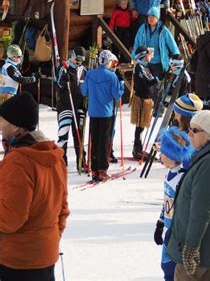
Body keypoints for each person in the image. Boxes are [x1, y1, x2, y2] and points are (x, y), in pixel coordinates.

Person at [0, 92, 69, 280]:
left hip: (18, 260)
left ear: (15, 126)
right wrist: (49, 239)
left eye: (2, 120)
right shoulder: (54, 156)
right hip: (45, 255)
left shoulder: (18, 161)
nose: (0, 126)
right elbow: (62, 209)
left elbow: (10, 217)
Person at [166, 110, 210, 280]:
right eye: (190, 128)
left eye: (195, 130)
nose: (189, 133)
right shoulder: (207, 158)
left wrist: (191, 247)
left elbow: (201, 211)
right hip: (205, 251)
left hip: (201, 254)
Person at [154, 127, 194, 281]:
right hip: (169, 229)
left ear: (172, 155)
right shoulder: (170, 174)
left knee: (172, 268)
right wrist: (160, 222)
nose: (160, 154)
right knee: (165, 265)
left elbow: (185, 207)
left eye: (163, 152)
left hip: (178, 232)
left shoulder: (181, 178)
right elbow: (167, 202)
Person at [80, 49, 125, 182]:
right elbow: (117, 95)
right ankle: (102, 170)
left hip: (93, 112)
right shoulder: (112, 76)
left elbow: (84, 92)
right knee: (104, 141)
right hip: (106, 112)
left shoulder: (90, 74)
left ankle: (94, 169)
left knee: (94, 140)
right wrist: (121, 83)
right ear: (109, 62)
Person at [55, 46, 88, 169]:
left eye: (81, 59)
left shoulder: (84, 70)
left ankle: (81, 161)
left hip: (79, 107)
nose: (79, 62)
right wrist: (64, 80)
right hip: (65, 106)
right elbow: (57, 85)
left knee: (79, 134)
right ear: (72, 56)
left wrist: (85, 104)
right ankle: (61, 161)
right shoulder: (63, 68)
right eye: (77, 58)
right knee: (63, 134)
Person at [130, 46, 161, 159]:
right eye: (149, 54)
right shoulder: (139, 67)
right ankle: (137, 149)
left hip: (146, 98)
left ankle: (138, 148)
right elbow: (149, 82)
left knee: (142, 125)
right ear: (143, 56)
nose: (151, 56)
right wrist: (159, 78)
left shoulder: (145, 66)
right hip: (142, 99)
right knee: (140, 125)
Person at [132, 7, 180, 79]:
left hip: (159, 63)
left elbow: (173, 47)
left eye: (153, 16)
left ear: (157, 18)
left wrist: (177, 61)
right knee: (145, 85)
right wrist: (134, 57)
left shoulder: (163, 30)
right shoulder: (142, 28)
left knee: (157, 86)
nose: (150, 18)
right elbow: (136, 44)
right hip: (144, 62)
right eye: (149, 16)